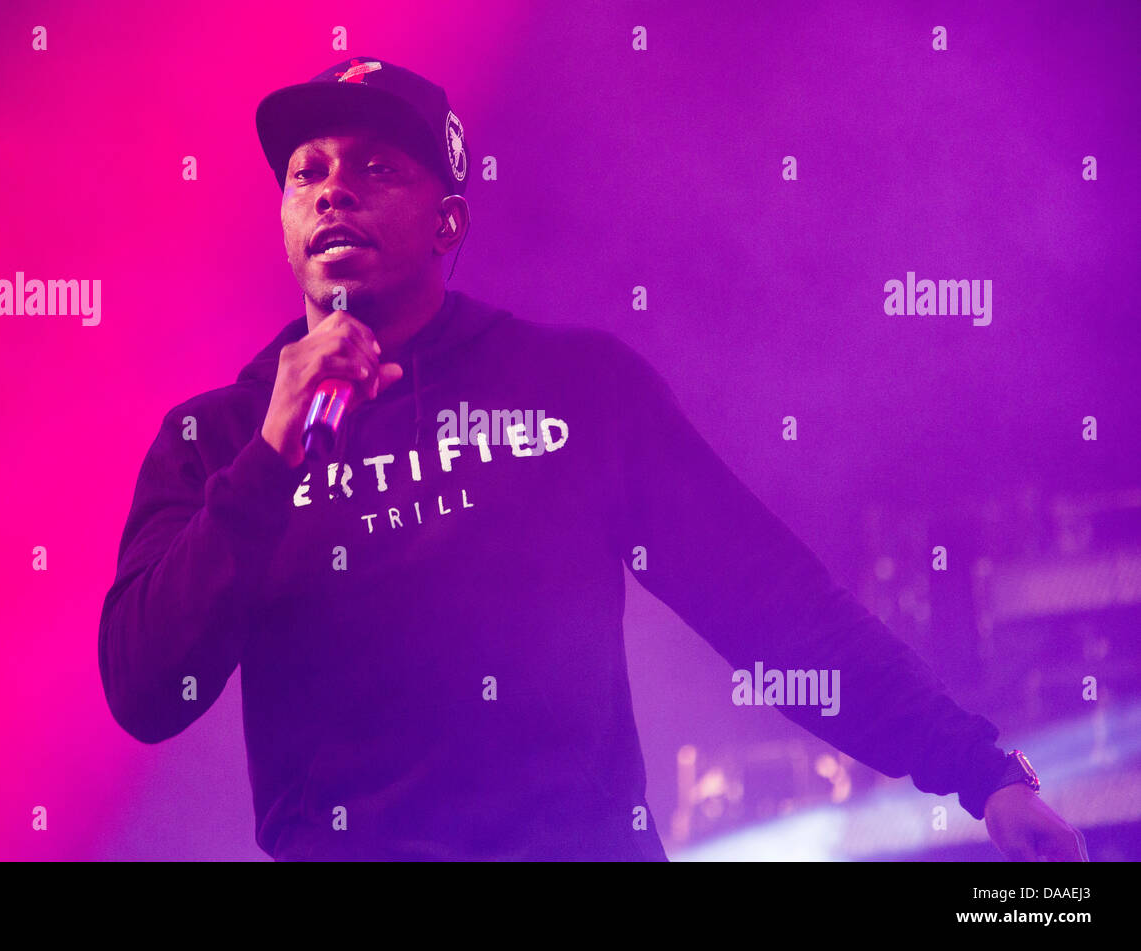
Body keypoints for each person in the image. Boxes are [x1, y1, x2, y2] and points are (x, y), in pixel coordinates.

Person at [97, 56, 1087, 862]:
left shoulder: (573, 386)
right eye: (307, 172)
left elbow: (769, 602)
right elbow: (143, 689)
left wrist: (976, 769)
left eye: (376, 168)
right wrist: (274, 454)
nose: (333, 191)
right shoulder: (220, 435)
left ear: (447, 222)